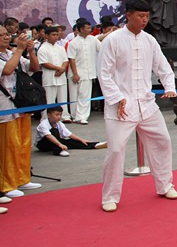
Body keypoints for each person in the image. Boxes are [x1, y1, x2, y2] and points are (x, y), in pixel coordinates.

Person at [97, 0, 177, 212]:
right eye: (140, 16)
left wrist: (169, 86)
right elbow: (104, 74)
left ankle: (165, 185)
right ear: (129, 15)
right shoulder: (112, 40)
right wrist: (117, 98)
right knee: (116, 150)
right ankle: (110, 196)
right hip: (121, 106)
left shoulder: (149, 40)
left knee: (163, 141)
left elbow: (163, 66)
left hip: (146, 103)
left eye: (147, 16)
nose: (144, 20)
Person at [0, 28, 41, 199]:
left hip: (21, 102)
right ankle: (7, 184)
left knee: (23, 143)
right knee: (8, 146)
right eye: (2, 35)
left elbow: (34, 68)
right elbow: (7, 71)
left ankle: (22, 178)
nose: (6, 37)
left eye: (6, 34)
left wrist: (30, 51)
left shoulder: (11, 53)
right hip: (5, 105)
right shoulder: (13, 53)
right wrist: (19, 49)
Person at [67, 18, 101, 124]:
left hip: (88, 73)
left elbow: (102, 49)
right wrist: (75, 74)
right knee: (74, 95)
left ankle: (82, 116)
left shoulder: (93, 39)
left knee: (85, 95)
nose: (90, 30)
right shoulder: (73, 42)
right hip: (76, 72)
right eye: (87, 28)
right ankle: (74, 115)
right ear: (81, 29)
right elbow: (71, 59)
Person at [35, 105, 107, 156]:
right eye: (56, 115)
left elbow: (69, 134)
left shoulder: (60, 123)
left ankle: (95, 145)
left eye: (60, 115)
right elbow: (49, 136)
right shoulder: (43, 124)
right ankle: (59, 150)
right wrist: (60, 144)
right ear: (49, 115)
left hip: (55, 141)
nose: (59, 117)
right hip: (43, 145)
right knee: (54, 131)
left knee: (72, 142)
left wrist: (81, 140)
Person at [38, 26, 69, 110]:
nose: (55, 37)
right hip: (50, 78)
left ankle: (64, 115)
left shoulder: (60, 48)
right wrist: (59, 68)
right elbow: (44, 63)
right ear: (46, 36)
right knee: (49, 100)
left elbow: (65, 60)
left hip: (61, 77)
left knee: (63, 99)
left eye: (56, 35)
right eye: (53, 35)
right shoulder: (42, 48)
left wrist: (62, 69)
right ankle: (47, 116)